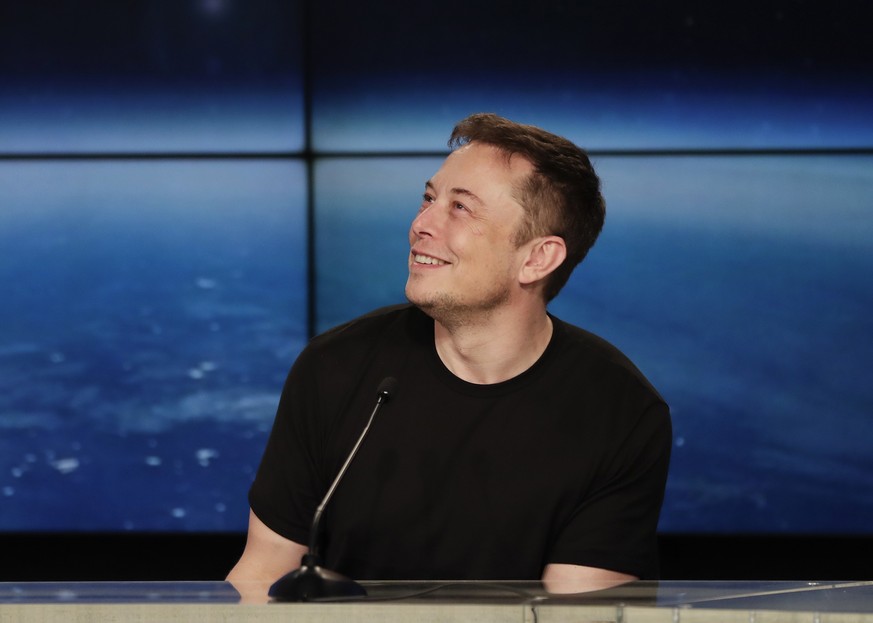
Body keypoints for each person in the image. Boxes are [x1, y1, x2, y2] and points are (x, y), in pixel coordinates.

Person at [227, 113, 671, 595]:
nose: (420, 225)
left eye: (460, 208)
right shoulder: (333, 367)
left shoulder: (620, 411)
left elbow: (576, 611)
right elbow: (263, 573)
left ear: (537, 258)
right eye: (428, 198)